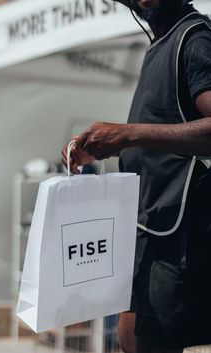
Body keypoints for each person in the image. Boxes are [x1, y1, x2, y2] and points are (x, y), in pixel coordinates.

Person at [62, 0, 211, 352]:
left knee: (148, 339)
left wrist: (127, 134)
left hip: (181, 232)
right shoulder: (161, 43)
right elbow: (160, 129)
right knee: (132, 337)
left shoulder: (194, 38)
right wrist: (107, 146)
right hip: (151, 228)